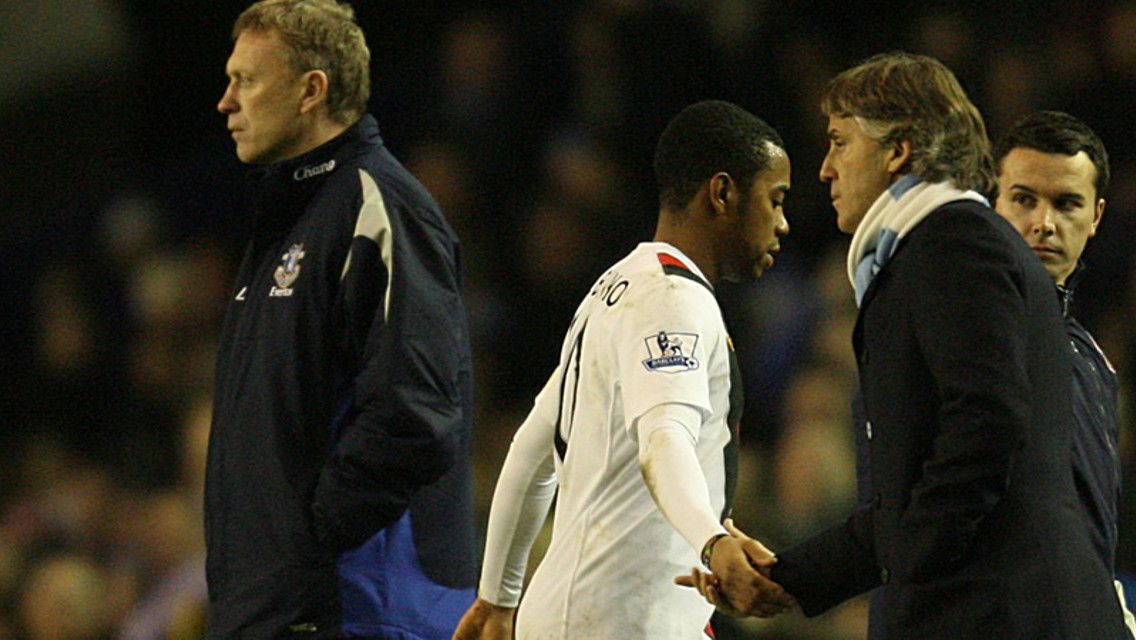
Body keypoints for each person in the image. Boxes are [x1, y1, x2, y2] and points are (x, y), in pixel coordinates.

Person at [682, 52, 1130, 639]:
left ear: (898, 151)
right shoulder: (929, 255)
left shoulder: (956, 246)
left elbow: (985, 429)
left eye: (840, 142)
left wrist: (911, 561)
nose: (826, 169)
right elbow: (913, 497)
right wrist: (791, 577)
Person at [452, 100, 795, 639]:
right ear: (722, 193)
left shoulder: (616, 287)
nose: (782, 223)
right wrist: (713, 542)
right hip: (617, 620)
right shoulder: (672, 299)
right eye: (774, 200)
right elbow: (664, 439)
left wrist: (498, 597)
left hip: (578, 613)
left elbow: (532, 448)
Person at [206, 1, 476, 637]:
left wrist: (308, 541)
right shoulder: (285, 221)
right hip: (283, 605)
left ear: (311, 91)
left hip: (361, 607)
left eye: (246, 80)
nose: (226, 102)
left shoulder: (379, 207)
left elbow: (415, 416)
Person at [992, 110, 1136, 637]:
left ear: (1096, 216)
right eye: (1024, 199)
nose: (1044, 223)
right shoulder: (967, 342)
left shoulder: (1091, 358)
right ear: (992, 203)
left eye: (1066, 203)